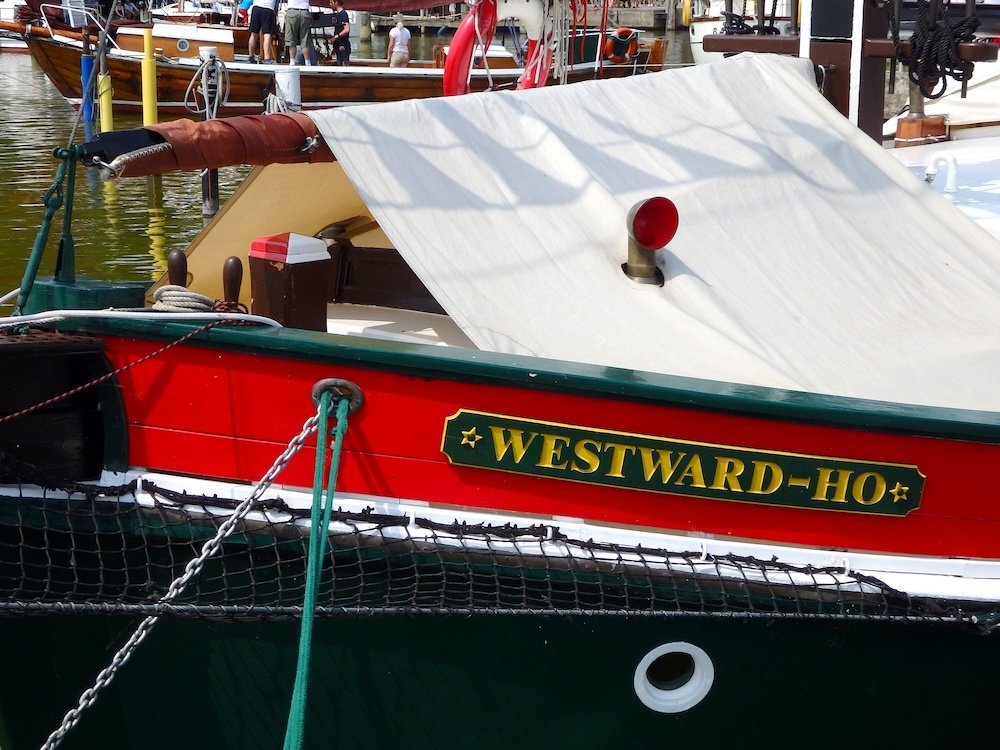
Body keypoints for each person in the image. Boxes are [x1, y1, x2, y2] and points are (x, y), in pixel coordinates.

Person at [284, 0, 314, 65]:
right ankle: (307, 63)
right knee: (305, 39)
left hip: (292, 11)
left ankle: (292, 62)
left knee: (291, 38)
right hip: (304, 12)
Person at [330, 0, 350, 66]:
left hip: (343, 45)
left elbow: (346, 29)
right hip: (338, 45)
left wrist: (335, 37)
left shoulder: (343, 14)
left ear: (336, 2)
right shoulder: (338, 15)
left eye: (331, 2)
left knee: (343, 65)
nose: (330, 4)